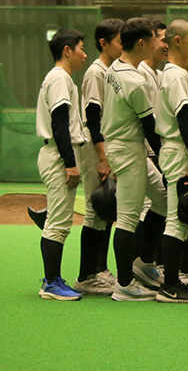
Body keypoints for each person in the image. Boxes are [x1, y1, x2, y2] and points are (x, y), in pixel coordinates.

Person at [102, 17, 162, 301]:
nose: (156, 43)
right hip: (128, 150)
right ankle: (124, 284)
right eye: (153, 38)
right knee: (126, 219)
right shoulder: (135, 81)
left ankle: (143, 263)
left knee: (162, 199)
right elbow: (150, 127)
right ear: (141, 43)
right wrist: (165, 160)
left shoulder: (115, 67)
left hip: (125, 147)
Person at [154, 19, 188, 304]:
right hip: (179, 151)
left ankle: (173, 282)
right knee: (176, 219)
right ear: (177, 41)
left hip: (183, 149)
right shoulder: (174, 75)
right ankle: (170, 285)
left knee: (184, 218)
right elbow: (184, 119)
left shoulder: (182, 74)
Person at [35, 29, 89, 300]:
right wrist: (69, 163)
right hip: (58, 156)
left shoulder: (62, 78)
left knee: (59, 221)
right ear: (67, 50)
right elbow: (59, 124)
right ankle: (51, 283)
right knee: (57, 223)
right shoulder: (59, 77)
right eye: (81, 47)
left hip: (59, 155)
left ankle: (52, 279)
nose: (84, 53)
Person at [74, 19, 124, 296]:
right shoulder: (96, 72)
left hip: (106, 146)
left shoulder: (113, 70)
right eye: (119, 40)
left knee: (106, 210)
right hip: (95, 148)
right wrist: (102, 156)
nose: (122, 45)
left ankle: (100, 270)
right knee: (95, 209)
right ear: (104, 43)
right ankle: (86, 275)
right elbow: (93, 118)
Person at [132, 20, 171, 289]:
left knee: (156, 206)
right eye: (161, 39)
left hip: (151, 151)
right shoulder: (142, 72)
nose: (166, 44)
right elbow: (145, 120)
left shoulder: (157, 73)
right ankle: (138, 266)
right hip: (140, 152)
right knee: (136, 212)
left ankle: (146, 264)